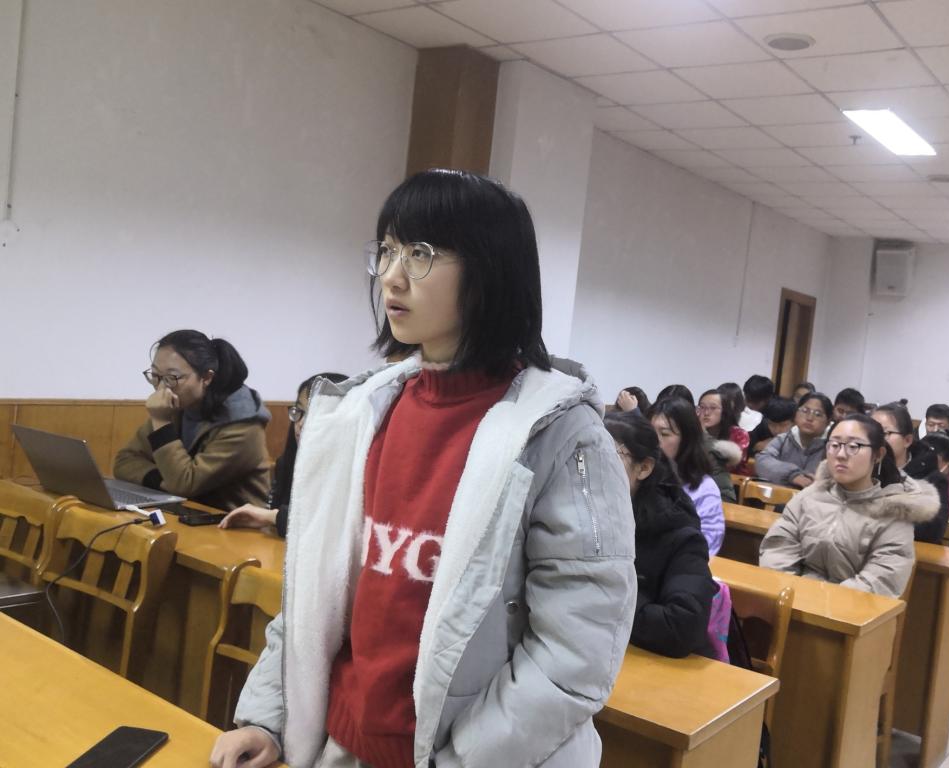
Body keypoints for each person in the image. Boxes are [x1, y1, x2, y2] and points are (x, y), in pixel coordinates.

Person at [210, 170, 637, 768]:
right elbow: (316, 589)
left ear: (490, 269)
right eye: (387, 250)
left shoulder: (561, 435)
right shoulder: (365, 412)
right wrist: (270, 717)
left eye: (421, 253)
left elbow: (574, 655)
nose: (392, 275)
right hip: (345, 743)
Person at [759, 414, 940, 598]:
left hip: (849, 609)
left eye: (854, 446)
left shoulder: (893, 513)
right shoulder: (809, 497)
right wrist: (791, 593)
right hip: (791, 600)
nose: (841, 454)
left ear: (878, 454)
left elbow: (881, 580)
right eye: (834, 445)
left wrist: (822, 601)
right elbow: (778, 548)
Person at [113, 330, 273, 510]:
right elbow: (124, 461)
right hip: (186, 512)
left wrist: (161, 422)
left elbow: (184, 485)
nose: (161, 388)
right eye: (156, 376)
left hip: (231, 521)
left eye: (172, 378)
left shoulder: (243, 424)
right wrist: (165, 481)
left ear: (206, 377)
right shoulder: (178, 405)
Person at [605, 411, 717, 659]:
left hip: (657, 665)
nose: (590, 468)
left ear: (644, 468)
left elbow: (682, 626)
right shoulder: (577, 517)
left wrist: (602, 598)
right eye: (582, 456)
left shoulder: (678, 534)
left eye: (606, 456)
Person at [219, 372, 348, 537]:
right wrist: (273, 518)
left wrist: (273, 517)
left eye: (315, 414)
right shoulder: (287, 462)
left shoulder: (351, 472)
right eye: (299, 411)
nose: (301, 423)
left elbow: (330, 527)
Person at [647, 398, 725, 556]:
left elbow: (707, 545)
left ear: (686, 439)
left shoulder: (704, 489)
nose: (654, 442)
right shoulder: (638, 476)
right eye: (649, 433)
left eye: (664, 434)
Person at [871, 402, 949, 543]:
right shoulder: (863, 470)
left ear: (907, 440)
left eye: (884, 433)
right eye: (870, 433)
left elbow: (933, 531)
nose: (875, 440)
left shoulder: (931, 477)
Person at [755, 392, 832, 488]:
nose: (809, 418)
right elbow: (762, 461)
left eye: (818, 414)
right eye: (805, 410)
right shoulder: (783, 440)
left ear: (828, 422)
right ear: (796, 414)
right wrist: (792, 475)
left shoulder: (831, 447)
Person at [698, 388, 749, 468]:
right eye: (702, 407)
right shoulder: (694, 431)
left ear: (725, 411)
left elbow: (724, 466)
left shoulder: (739, 434)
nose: (706, 413)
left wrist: (704, 434)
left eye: (713, 408)